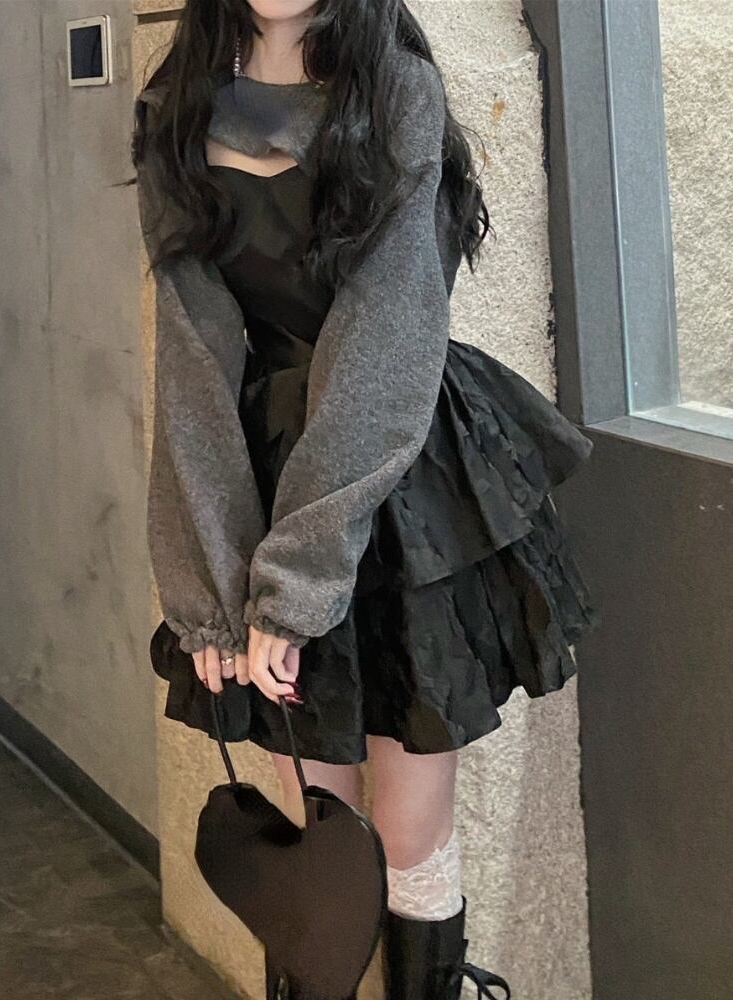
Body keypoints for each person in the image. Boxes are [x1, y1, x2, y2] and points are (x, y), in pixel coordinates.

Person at [131, 2, 598, 997]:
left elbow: (385, 332)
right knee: (319, 835)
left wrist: (297, 579)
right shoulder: (179, 106)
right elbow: (193, 354)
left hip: (405, 477)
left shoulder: (394, 88)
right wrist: (211, 580)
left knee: (407, 834)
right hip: (268, 472)